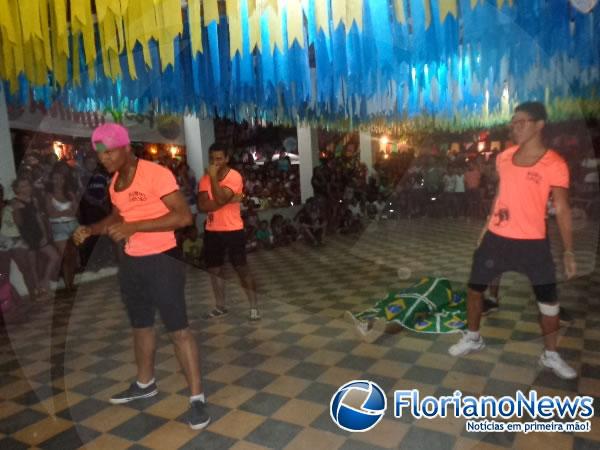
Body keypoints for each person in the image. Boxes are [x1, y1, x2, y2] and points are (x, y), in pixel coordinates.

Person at [72, 123, 210, 430]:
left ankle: (197, 399)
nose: (104, 159)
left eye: (108, 153)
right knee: (141, 325)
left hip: (163, 261)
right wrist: (92, 229)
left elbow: (183, 216)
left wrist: (135, 228)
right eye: (100, 154)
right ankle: (145, 383)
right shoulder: (115, 182)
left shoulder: (156, 174)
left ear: (125, 148)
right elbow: (119, 216)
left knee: (178, 331)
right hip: (132, 263)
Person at [449, 102, 577, 379]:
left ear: (539, 125)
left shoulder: (554, 163)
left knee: (549, 304)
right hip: (497, 238)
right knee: (474, 289)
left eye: (522, 122)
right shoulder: (504, 157)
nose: (515, 127)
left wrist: (568, 251)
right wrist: (486, 227)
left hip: (533, 243)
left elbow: (563, 208)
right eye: (513, 122)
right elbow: (501, 196)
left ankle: (551, 354)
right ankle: (473, 337)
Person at [197, 143, 260, 321]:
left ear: (227, 159)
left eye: (219, 158)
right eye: (212, 159)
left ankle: (254, 306)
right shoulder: (204, 179)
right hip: (211, 230)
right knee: (214, 270)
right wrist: (227, 200)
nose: (215, 162)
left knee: (241, 268)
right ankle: (220, 306)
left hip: (233, 229)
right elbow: (202, 206)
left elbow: (218, 198)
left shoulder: (234, 177)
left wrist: (215, 183)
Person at [46, 169, 79, 293]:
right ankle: (68, 286)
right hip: (58, 227)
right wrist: (65, 212)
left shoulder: (70, 193)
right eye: (55, 178)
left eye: (61, 178)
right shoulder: (49, 195)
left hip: (73, 224)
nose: (58, 181)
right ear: (52, 180)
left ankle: (72, 282)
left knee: (73, 256)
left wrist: (60, 212)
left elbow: (75, 210)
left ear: (64, 180)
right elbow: (50, 213)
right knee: (65, 257)